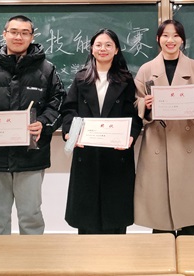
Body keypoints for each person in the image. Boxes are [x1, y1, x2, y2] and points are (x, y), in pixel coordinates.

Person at [0, 15, 65, 235]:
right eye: (14, 32)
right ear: (4, 34)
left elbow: (58, 103)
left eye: (25, 33)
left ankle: (30, 258)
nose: (19, 37)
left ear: (32, 36)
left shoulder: (47, 70)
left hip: (31, 155)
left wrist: (43, 123)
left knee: (31, 216)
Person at [134, 19, 194, 236]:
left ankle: (190, 253)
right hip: (157, 145)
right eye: (165, 35)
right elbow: (135, 102)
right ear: (157, 39)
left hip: (187, 143)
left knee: (190, 212)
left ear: (182, 40)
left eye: (176, 35)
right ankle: (161, 255)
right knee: (159, 213)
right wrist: (146, 105)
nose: (170, 40)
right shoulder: (146, 70)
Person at [60, 29, 143, 234]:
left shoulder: (126, 80)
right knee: (87, 222)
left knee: (115, 220)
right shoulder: (81, 79)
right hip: (87, 154)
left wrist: (130, 136)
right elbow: (69, 110)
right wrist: (70, 133)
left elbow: (134, 114)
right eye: (98, 45)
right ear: (91, 49)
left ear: (116, 50)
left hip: (116, 155)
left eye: (108, 45)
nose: (102, 49)